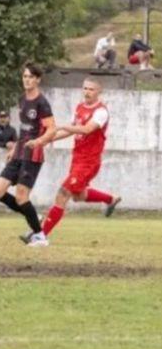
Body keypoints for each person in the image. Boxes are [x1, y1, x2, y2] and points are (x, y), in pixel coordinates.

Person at [36, 78, 122, 245]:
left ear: (99, 92)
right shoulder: (79, 108)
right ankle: (111, 199)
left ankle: (41, 236)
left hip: (89, 162)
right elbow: (72, 130)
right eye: (85, 88)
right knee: (78, 195)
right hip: (77, 159)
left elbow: (86, 129)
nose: (87, 92)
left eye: (91, 89)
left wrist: (61, 127)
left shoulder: (101, 112)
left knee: (63, 194)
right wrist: (47, 139)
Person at [0, 63, 56, 247]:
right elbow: (24, 128)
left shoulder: (42, 103)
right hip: (19, 152)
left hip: (33, 154)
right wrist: (13, 149)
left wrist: (38, 141)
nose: (26, 80)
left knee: (21, 196)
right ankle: (34, 216)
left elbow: (52, 129)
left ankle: (40, 236)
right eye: (24, 76)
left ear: (37, 80)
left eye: (30, 77)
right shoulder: (22, 100)